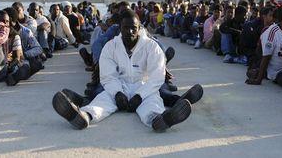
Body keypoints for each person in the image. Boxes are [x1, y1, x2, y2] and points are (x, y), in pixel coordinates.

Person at [52, 10, 193, 131]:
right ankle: (83, 117)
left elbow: (156, 78)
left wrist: (140, 96)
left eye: (134, 28)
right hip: (119, 86)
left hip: (144, 87)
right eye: (126, 27)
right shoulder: (110, 47)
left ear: (139, 28)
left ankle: (159, 120)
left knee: (152, 105)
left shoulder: (151, 47)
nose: (130, 31)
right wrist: (117, 93)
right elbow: (108, 77)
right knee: (102, 102)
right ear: (120, 28)